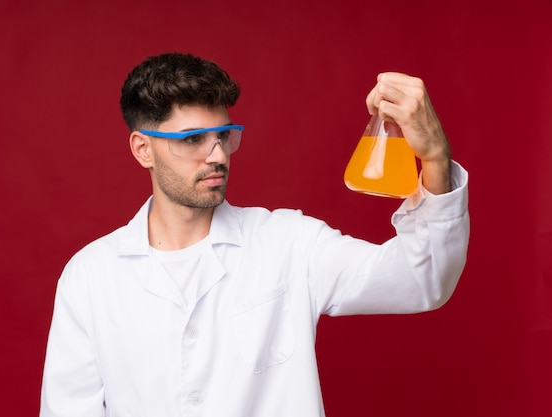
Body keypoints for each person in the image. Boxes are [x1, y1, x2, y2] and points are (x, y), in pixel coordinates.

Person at [40, 52, 469, 417]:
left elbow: (422, 280)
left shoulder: (288, 243)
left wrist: (433, 156)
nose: (217, 155)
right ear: (142, 149)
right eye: (193, 139)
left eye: (224, 135)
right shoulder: (90, 276)